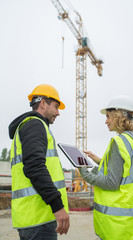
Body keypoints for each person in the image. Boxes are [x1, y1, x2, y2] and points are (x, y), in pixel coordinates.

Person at [79, 95, 133, 240]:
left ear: (120, 116)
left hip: (116, 225)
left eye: (109, 116)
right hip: (132, 223)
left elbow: (111, 182)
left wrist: (85, 174)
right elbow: (125, 169)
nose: (106, 121)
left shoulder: (118, 142)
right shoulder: (132, 139)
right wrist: (100, 160)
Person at [9, 84, 70, 240]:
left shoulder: (31, 125)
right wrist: (58, 206)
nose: (58, 112)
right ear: (43, 103)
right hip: (38, 219)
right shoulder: (35, 125)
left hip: (34, 217)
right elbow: (34, 167)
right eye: (56, 107)